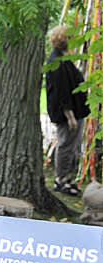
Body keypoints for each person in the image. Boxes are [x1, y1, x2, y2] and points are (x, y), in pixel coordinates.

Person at [45, 25, 90, 196]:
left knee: (72, 146)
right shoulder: (56, 61)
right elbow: (61, 91)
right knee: (65, 145)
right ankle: (60, 179)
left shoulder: (64, 58)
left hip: (75, 111)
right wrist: (69, 116)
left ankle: (67, 176)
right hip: (67, 113)